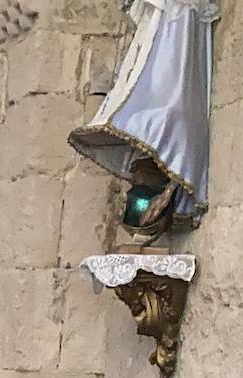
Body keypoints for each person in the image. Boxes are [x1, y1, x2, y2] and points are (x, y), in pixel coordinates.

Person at [69, 0, 216, 233]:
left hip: (179, 19)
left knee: (172, 61)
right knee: (156, 61)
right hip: (164, 25)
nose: (135, 176)